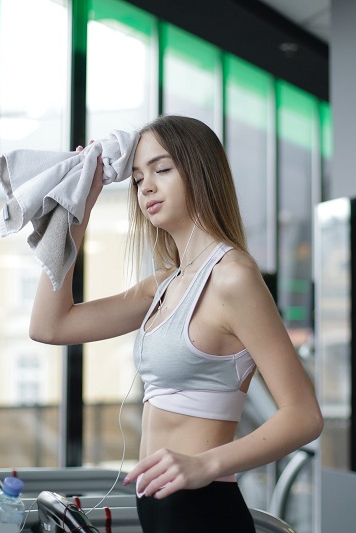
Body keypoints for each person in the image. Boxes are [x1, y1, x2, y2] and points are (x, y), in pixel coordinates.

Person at [29, 115, 322, 532]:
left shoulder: (232, 277)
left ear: (200, 171)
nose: (145, 186)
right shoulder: (164, 284)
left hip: (204, 510)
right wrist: (80, 207)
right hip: (160, 511)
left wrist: (204, 464)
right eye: (136, 178)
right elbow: (49, 326)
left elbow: (304, 415)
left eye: (162, 169)